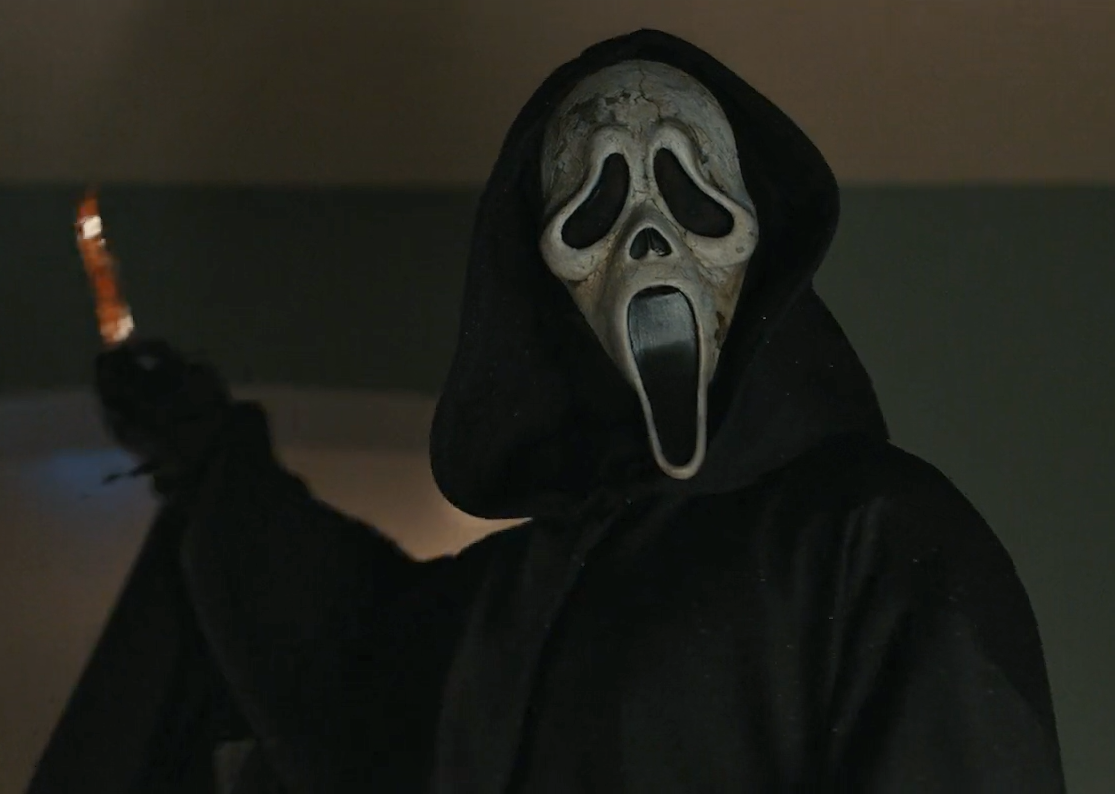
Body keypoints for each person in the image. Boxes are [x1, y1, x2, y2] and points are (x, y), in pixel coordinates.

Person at [29, 29, 1065, 793]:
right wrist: (207, 455)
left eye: (691, 192)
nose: (649, 243)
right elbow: (344, 645)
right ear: (543, 291)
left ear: (761, 245)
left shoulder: (871, 539)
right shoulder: (518, 602)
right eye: (595, 209)